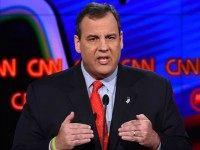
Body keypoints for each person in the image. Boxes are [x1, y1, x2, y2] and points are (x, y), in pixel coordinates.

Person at [12, 2, 191, 150]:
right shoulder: (44, 93)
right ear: (77, 43)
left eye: (110, 37)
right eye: (93, 39)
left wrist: (156, 141)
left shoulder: (156, 88)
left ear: (121, 40)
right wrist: (55, 145)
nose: (103, 47)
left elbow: (182, 145)